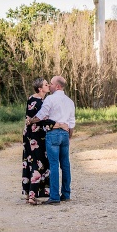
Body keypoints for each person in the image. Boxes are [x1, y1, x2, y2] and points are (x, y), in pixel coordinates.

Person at [29, 75, 76, 205]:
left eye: (51, 83)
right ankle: (66, 194)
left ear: (58, 86)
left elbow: (41, 115)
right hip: (65, 134)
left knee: (54, 165)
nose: (49, 85)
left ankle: (54, 197)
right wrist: (69, 136)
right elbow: (72, 122)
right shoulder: (70, 101)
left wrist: (31, 120)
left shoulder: (50, 98)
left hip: (53, 134)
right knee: (65, 165)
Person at [22, 77, 65, 205]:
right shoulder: (40, 102)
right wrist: (58, 124)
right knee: (38, 162)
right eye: (46, 84)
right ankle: (32, 195)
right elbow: (43, 119)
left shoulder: (32, 98)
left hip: (30, 134)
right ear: (41, 89)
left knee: (31, 161)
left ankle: (31, 192)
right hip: (36, 136)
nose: (49, 86)